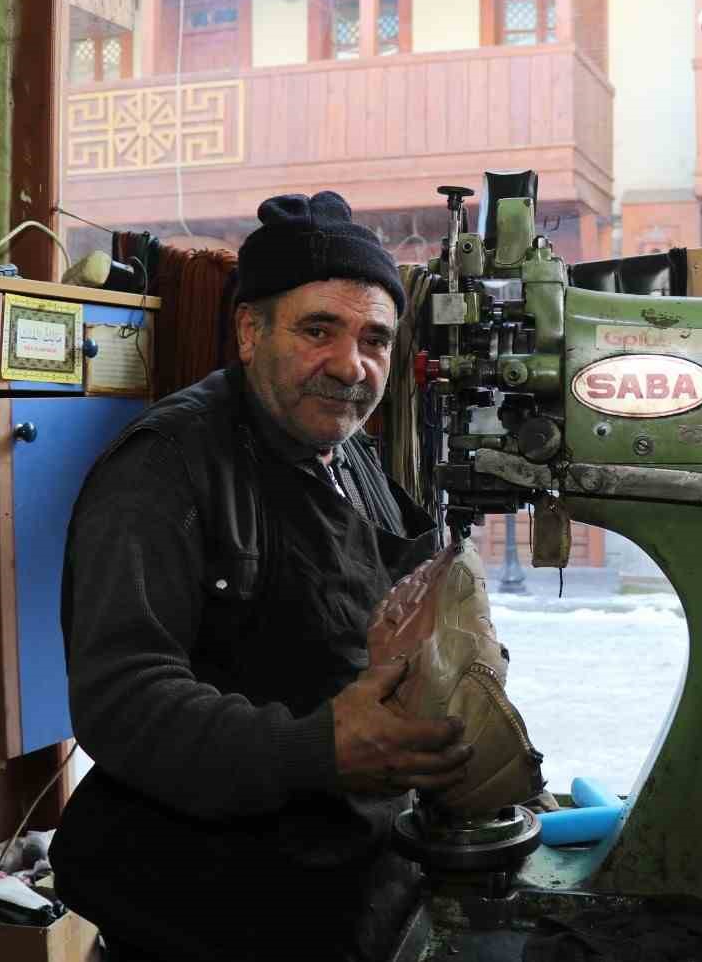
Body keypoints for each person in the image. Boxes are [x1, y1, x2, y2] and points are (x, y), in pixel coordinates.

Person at [50, 191, 472, 962]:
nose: (352, 366)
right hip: (203, 911)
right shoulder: (164, 469)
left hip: (347, 890)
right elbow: (121, 702)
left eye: (375, 339)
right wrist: (318, 749)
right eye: (319, 330)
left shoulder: (350, 454)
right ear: (250, 331)